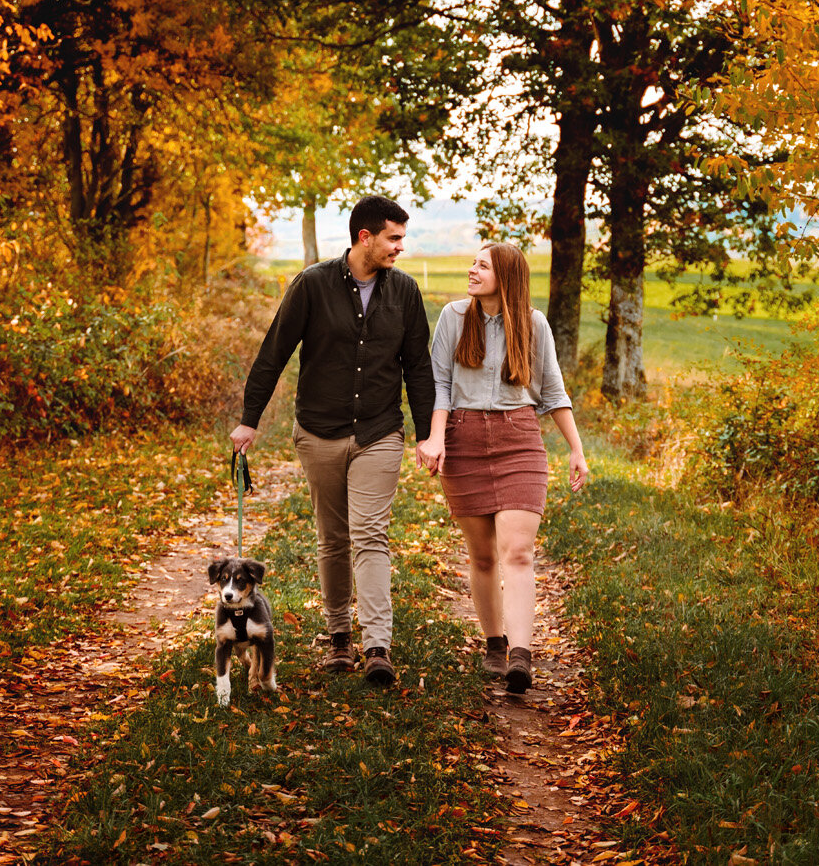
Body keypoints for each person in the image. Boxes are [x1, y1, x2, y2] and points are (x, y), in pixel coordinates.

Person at [230, 195, 435, 686]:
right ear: (365, 237)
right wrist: (249, 419)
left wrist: (428, 434)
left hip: (379, 431)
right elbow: (274, 352)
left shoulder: (404, 292)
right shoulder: (312, 285)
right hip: (319, 430)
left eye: (402, 239)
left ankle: (377, 646)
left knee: (370, 534)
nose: (400, 248)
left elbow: (420, 369)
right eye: (393, 238)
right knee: (333, 538)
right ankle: (339, 638)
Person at [416, 242, 588, 694]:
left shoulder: (534, 324)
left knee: (518, 552)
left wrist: (576, 448)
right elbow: (439, 383)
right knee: (484, 555)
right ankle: (494, 642)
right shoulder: (453, 318)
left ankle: (520, 656)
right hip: (463, 438)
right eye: (472, 262)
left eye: (482, 265)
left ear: (506, 277)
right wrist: (435, 438)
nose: (471, 270)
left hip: (520, 442)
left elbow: (553, 389)